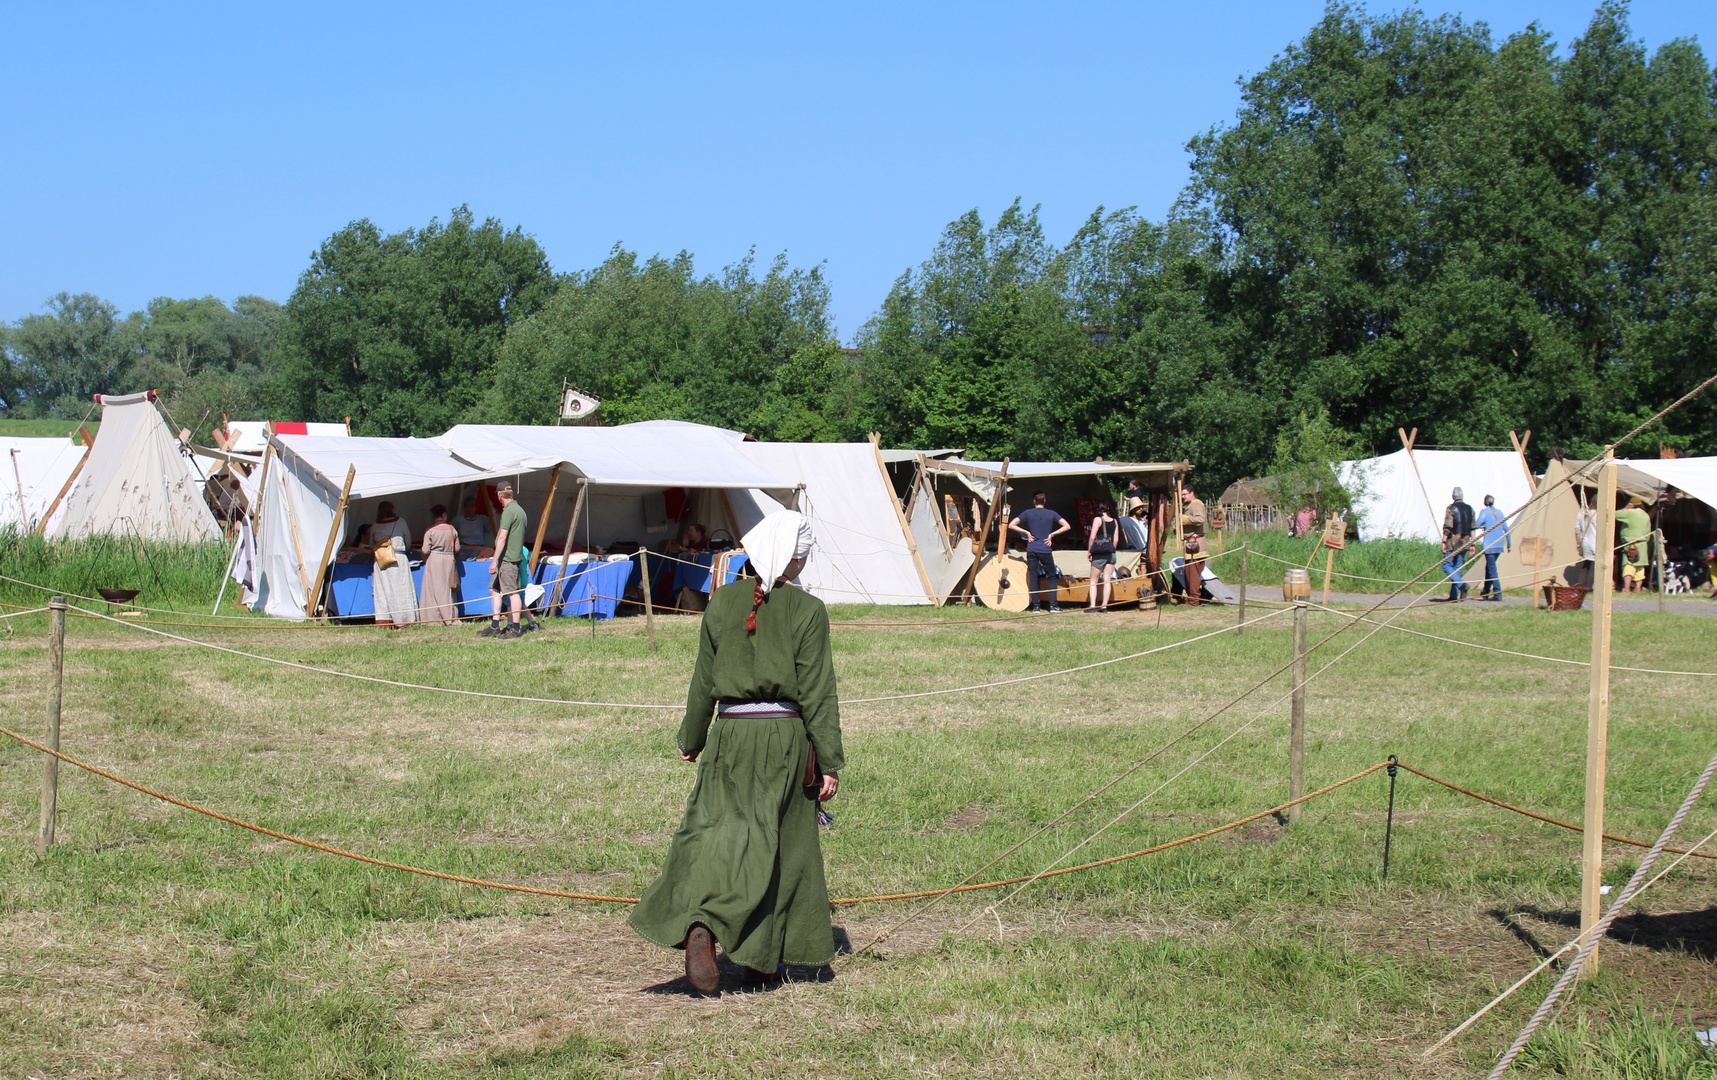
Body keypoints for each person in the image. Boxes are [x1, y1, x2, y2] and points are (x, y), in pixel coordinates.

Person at [629, 510, 842, 992]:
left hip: (728, 735)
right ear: (792, 558)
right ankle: (759, 957)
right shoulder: (807, 610)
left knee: (718, 835)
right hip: (784, 739)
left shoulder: (721, 603)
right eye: (803, 556)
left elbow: (704, 678)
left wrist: (692, 737)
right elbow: (817, 691)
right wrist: (828, 760)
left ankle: (707, 926)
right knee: (782, 843)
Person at [1008, 492, 1070, 613]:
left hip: (1032, 548)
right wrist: (1052, 534)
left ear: (1034, 502)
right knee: (1052, 576)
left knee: (1033, 576)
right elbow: (1067, 526)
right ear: (1045, 501)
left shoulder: (1028, 513)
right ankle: (1053, 606)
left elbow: (1011, 524)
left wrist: (1026, 532)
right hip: (1045, 548)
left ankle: (1036, 606)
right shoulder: (1052, 514)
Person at [481, 482, 528, 638]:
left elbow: (502, 537)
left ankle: (516, 628)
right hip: (507, 559)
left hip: (507, 559)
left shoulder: (509, 511)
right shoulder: (520, 510)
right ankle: (495, 625)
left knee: (512, 593)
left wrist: (494, 561)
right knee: (493, 588)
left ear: (499, 495)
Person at [369, 501, 417, 627]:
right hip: (398, 557)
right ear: (393, 509)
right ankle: (404, 619)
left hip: (381, 558)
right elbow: (407, 540)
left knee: (384, 590)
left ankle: (385, 620)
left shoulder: (375, 525)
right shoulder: (400, 521)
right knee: (401, 589)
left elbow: (371, 543)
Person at [419, 504, 461, 625]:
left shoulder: (430, 530)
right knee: (448, 589)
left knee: (433, 589)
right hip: (449, 559)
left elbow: (425, 550)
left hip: (434, 560)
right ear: (444, 515)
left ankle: (434, 618)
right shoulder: (452, 530)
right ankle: (450, 616)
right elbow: (457, 548)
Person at [1436, 487, 1475, 603]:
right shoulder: (1470, 509)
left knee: (1446, 565)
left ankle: (1462, 585)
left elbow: (1448, 526)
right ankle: (1454, 595)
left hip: (1453, 542)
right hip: (1465, 541)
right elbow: (1473, 527)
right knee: (1457, 568)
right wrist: (1473, 543)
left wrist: (1444, 541)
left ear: (1453, 496)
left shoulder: (1451, 508)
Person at [1474, 494, 1512, 601]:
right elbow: (1506, 530)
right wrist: (1509, 544)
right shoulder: (1500, 513)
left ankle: (1497, 592)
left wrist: (1478, 525)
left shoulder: (1484, 512)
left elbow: (1477, 525)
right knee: (1489, 568)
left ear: (1484, 502)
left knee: (1492, 569)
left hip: (1489, 546)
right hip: (1499, 545)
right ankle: (1486, 591)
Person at [1085, 501, 1120, 612]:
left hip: (1099, 554)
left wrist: (1089, 551)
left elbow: (1092, 537)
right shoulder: (1114, 521)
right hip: (1111, 553)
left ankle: (1092, 606)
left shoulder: (1097, 520)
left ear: (1098, 510)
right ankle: (1104, 606)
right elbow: (1116, 539)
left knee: (1093, 580)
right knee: (1107, 579)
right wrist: (1111, 548)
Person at [1616, 495, 1652, 593]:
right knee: (1640, 566)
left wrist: (1625, 508)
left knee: (1629, 565)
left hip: (1631, 544)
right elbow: (1648, 532)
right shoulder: (1646, 515)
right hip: (1643, 544)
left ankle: (1626, 588)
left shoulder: (1630, 513)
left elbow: (1614, 514)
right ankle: (1637, 588)